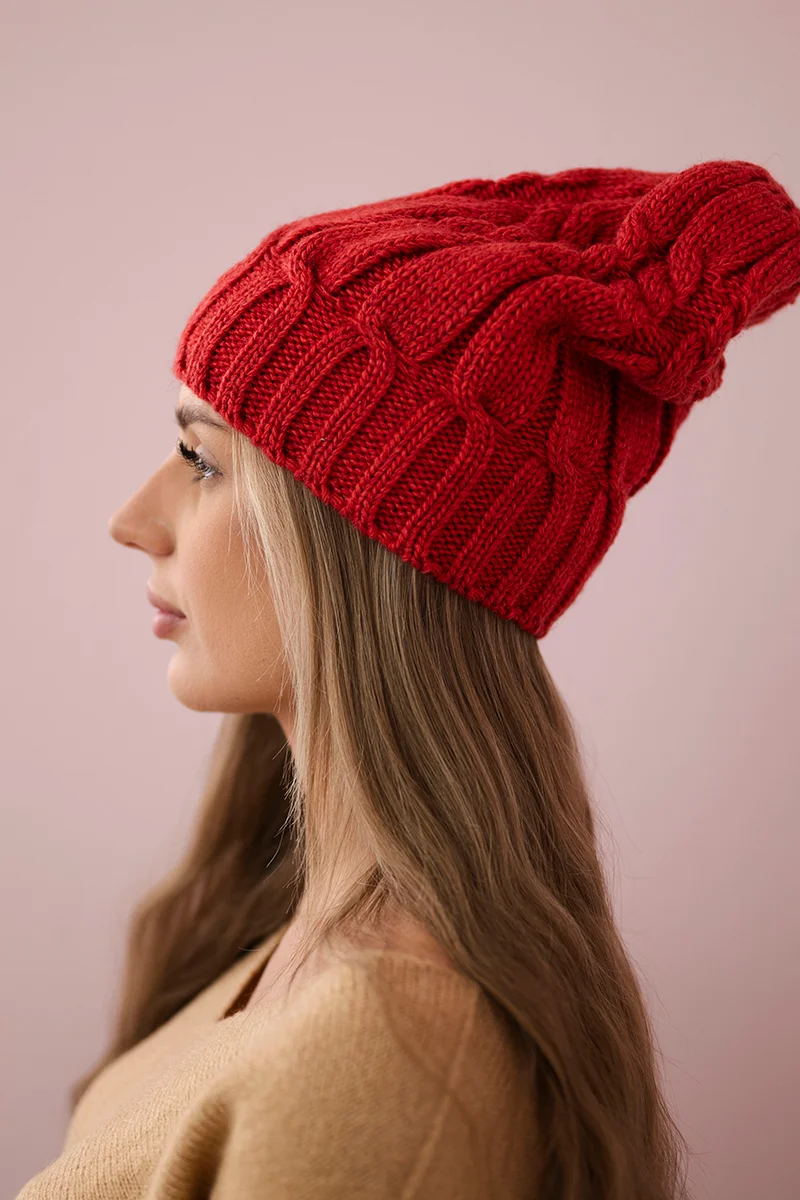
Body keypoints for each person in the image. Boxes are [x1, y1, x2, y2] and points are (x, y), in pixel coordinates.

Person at [16, 158, 800, 1200]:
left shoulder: (386, 1052)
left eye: (202, 462)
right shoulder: (297, 939)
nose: (132, 520)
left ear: (363, 545)